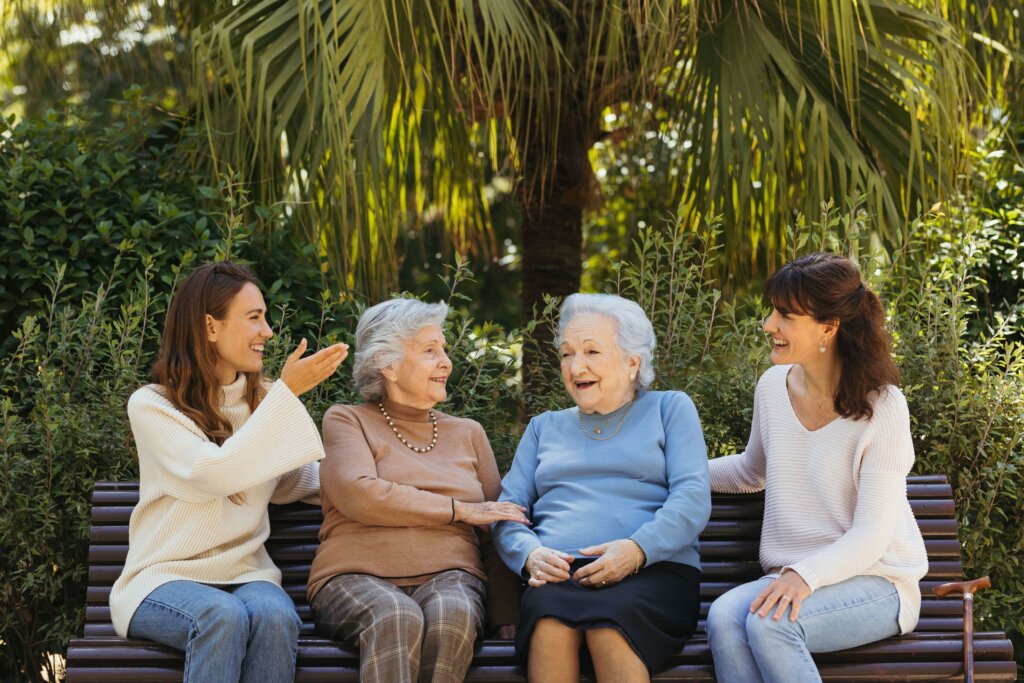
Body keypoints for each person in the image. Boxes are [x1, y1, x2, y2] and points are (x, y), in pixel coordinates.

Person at [108, 261, 348, 683]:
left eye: (266, 318)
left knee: (275, 616)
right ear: (210, 327)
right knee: (221, 616)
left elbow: (292, 479)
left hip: (246, 574)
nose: (268, 332)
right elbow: (212, 474)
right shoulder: (152, 405)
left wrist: (374, 479)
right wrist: (287, 395)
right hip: (162, 579)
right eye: (254, 318)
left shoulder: (265, 400)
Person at [705, 252, 929, 683]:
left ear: (829, 327)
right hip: (798, 580)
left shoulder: (882, 407)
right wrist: (674, 470)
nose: (769, 324)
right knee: (724, 617)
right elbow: (753, 472)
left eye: (785, 315)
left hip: (877, 582)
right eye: (773, 311)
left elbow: (872, 535)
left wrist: (803, 575)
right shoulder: (772, 387)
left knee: (772, 622)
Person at [493, 293, 711, 682]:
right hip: (561, 573)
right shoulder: (544, 427)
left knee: (610, 625)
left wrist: (637, 550)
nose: (576, 366)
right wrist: (529, 555)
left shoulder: (670, 409)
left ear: (632, 362)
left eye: (592, 351)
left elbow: (691, 499)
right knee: (550, 623)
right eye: (566, 353)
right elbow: (508, 511)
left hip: (653, 570)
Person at [308, 298, 528, 683]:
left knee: (453, 618)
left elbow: (497, 525)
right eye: (430, 350)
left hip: (452, 576)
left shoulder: (468, 433)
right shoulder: (346, 420)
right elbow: (360, 494)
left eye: (443, 349)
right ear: (388, 364)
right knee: (395, 616)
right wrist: (459, 510)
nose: (446, 361)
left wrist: (507, 612)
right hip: (355, 577)